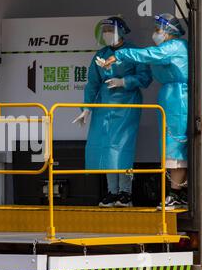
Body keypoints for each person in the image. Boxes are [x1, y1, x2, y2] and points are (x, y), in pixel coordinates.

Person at [103, 13, 188, 210]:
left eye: (158, 29)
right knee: (171, 145)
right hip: (172, 98)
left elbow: (149, 55)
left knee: (175, 145)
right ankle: (176, 193)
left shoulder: (174, 47)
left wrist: (121, 54)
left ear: (169, 31)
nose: (155, 33)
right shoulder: (168, 49)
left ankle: (176, 194)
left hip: (178, 99)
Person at [73, 17, 152, 208]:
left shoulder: (133, 52)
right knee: (107, 148)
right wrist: (86, 109)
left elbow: (145, 76)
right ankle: (112, 192)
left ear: (121, 31)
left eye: (111, 29)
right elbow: (92, 84)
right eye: (105, 30)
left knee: (122, 148)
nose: (107, 33)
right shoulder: (101, 54)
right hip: (104, 106)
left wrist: (125, 82)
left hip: (127, 105)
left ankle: (125, 193)